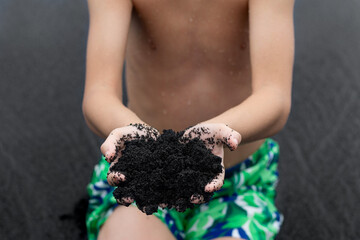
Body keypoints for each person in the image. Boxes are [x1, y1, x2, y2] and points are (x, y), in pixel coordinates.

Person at [82, 0, 294, 239]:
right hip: (143, 171)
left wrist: (221, 131)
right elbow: (98, 93)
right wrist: (131, 133)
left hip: (237, 180)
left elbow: (275, 98)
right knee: (126, 232)